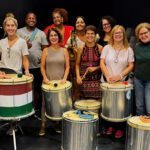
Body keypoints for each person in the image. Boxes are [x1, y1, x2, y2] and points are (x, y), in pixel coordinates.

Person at [100, 25, 134, 138]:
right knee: (109, 105)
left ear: (123, 34)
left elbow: (131, 65)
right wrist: (108, 76)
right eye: (116, 33)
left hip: (122, 82)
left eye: (120, 33)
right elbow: (102, 63)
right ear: (112, 35)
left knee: (121, 106)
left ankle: (120, 128)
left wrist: (119, 76)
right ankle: (110, 126)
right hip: (107, 82)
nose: (118, 35)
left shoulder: (128, 49)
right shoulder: (107, 48)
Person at [39, 28, 70, 136]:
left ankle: (57, 123)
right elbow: (42, 67)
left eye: (55, 35)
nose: (53, 37)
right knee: (45, 103)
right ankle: (43, 125)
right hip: (48, 82)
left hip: (61, 82)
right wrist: (45, 78)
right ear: (48, 38)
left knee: (60, 103)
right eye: (51, 36)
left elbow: (67, 67)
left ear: (59, 37)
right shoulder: (45, 51)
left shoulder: (64, 50)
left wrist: (65, 78)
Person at [17, 12, 48, 114]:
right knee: (24, 91)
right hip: (23, 67)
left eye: (33, 18)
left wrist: (42, 59)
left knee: (39, 90)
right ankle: (25, 110)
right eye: (29, 18)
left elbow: (45, 50)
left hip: (38, 67)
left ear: (36, 20)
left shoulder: (41, 33)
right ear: (25, 20)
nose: (31, 20)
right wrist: (24, 46)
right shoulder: (19, 32)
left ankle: (38, 110)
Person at [76, 25, 103, 100]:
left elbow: (104, 65)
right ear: (85, 35)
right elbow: (77, 64)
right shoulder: (80, 48)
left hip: (96, 82)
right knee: (84, 105)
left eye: (92, 33)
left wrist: (96, 68)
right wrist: (78, 77)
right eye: (88, 33)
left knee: (96, 105)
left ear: (95, 35)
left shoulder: (100, 48)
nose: (90, 35)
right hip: (83, 81)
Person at [66, 16, 86, 100]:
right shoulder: (72, 37)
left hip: (88, 65)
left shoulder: (90, 35)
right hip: (76, 66)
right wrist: (69, 48)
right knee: (76, 89)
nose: (79, 24)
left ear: (85, 24)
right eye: (77, 22)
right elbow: (66, 51)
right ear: (75, 24)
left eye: (81, 22)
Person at [134, 22, 150, 116]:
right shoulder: (136, 46)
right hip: (138, 79)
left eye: (145, 33)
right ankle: (139, 131)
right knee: (139, 108)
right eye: (141, 34)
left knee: (149, 109)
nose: (143, 35)